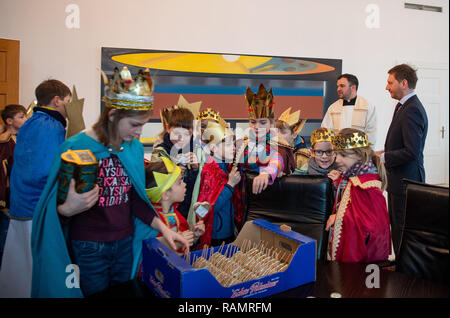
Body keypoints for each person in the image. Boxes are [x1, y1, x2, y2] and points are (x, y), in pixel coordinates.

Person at [30, 68, 189, 298]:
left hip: (124, 242)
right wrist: (66, 210)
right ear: (113, 115)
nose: (139, 132)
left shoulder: (132, 148)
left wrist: (165, 229)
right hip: (89, 247)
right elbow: (51, 213)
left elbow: (135, 199)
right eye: (134, 124)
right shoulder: (75, 147)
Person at [0, 79, 72, 298]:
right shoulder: (51, 126)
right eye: (68, 102)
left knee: (20, 263)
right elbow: (46, 170)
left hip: (21, 201)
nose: (69, 108)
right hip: (38, 207)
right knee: (37, 267)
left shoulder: (31, 121)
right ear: (57, 100)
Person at [377, 64, 428, 255]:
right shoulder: (405, 107)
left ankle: (403, 273)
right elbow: (404, 145)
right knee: (397, 227)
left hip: (405, 182)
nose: (387, 87)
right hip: (400, 180)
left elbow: (412, 151)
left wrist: (384, 157)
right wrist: (382, 151)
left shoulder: (411, 109)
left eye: (390, 82)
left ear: (404, 83)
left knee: (402, 229)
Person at [326, 128, 391, 263]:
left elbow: (371, 231)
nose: (337, 160)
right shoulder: (354, 178)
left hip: (364, 266)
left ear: (360, 156)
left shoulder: (368, 187)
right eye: (336, 154)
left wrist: (339, 217)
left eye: (343, 155)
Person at [196, 115, 244, 248]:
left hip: (228, 232)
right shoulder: (209, 172)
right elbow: (203, 209)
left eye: (233, 144)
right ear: (213, 148)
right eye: (228, 144)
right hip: (215, 235)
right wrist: (230, 185)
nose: (233, 148)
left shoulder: (227, 169)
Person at [145, 157, 205, 253]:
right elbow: (147, 254)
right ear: (165, 194)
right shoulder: (150, 222)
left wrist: (194, 236)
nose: (184, 184)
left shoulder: (177, 214)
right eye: (180, 182)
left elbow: (185, 249)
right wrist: (176, 243)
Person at [236, 84, 284, 195]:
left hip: (265, 198)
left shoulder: (277, 143)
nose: (257, 127)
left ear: (271, 123)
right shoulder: (243, 143)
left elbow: (277, 160)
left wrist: (266, 173)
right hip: (242, 196)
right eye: (253, 122)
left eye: (262, 122)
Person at [0, 104, 27, 266]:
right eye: (21, 117)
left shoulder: (21, 138)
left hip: (17, 195)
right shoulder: (5, 142)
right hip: (7, 195)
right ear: (9, 121)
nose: (25, 119)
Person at [321, 74, 377, 145]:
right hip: (338, 152)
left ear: (353, 87)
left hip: (358, 153)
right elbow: (326, 131)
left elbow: (371, 134)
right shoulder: (333, 108)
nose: (338, 89)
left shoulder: (367, 107)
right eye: (338, 86)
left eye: (342, 86)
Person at [274, 107, 307, 176]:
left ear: (294, 135)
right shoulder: (272, 146)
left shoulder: (302, 154)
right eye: (276, 131)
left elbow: (299, 178)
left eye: (283, 132)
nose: (278, 136)